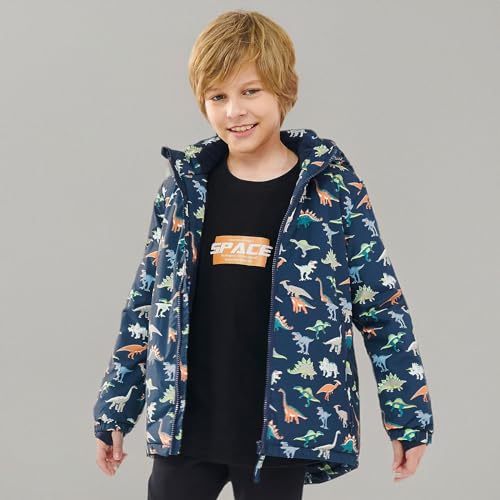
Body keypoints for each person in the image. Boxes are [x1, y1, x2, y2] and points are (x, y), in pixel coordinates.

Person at [93, 9, 434, 500]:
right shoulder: (183, 192)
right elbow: (146, 303)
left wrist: (409, 418)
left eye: (250, 91)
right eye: (218, 96)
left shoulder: (332, 193)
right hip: (185, 427)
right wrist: (115, 408)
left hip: (280, 435)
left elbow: (381, 307)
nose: (235, 111)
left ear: (283, 89)